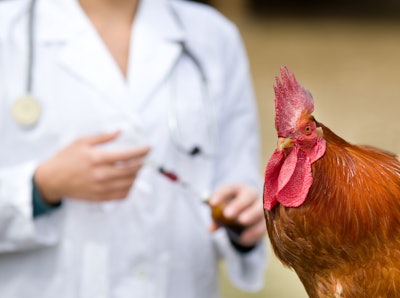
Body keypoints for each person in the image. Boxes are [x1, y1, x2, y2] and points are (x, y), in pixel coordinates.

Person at [0, 0, 268, 297]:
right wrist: (41, 188)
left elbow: (239, 180)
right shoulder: (7, 29)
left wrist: (245, 219)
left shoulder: (213, 36)